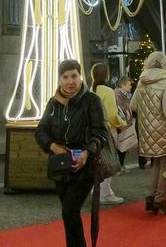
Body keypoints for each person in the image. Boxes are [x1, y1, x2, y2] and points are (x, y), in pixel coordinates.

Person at [35, 60, 108, 247]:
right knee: (69, 215)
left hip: (84, 166)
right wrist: (53, 146)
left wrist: (87, 151)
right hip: (61, 166)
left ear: (80, 76)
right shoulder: (54, 103)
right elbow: (41, 130)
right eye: (65, 77)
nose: (70, 81)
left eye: (74, 76)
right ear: (59, 80)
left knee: (69, 211)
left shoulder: (92, 101)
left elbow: (100, 133)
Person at [131, 51, 166, 216]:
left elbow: (133, 106)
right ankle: (160, 199)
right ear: (164, 64)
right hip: (163, 130)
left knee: (155, 165)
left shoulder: (142, 80)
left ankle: (150, 197)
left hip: (147, 131)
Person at [88, 63, 124, 205]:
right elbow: (112, 114)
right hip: (108, 130)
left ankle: (97, 189)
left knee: (98, 162)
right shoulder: (108, 91)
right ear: (106, 74)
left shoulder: (92, 90)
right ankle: (105, 193)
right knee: (109, 162)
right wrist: (122, 123)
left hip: (94, 131)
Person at [112, 76, 137, 170]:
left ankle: (120, 165)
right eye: (129, 84)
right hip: (121, 123)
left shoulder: (126, 94)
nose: (131, 87)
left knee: (124, 144)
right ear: (123, 85)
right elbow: (120, 109)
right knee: (121, 144)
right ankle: (119, 166)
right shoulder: (118, 94)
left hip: (126, 122)